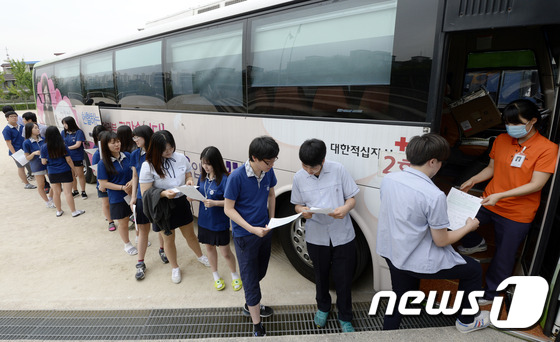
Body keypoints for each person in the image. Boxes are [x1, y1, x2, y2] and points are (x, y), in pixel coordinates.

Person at [376, 133, 489, 333]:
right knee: (472, 270)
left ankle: (388, 332)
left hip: (392, 251)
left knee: (400, 294)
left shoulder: (390, 179)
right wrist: (468, 227)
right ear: (433, 161)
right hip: (415, 258)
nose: (441, 166)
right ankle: (466, 321)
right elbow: (441, 241)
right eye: (442, 162)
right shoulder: (434, 195)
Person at [458, 99, 559, 304]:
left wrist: (501, 196)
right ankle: (475, 242)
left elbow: (536, 184)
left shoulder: (548, 149)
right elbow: (491, 168)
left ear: (533, 121)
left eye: (516, 123)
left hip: (517, 211)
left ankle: (492, 293)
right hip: (489, 200)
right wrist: (473, 180)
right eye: (508, 123)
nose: (510, 128)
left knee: (504, 256)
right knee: (457, 218)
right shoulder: (501, 140)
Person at [290, 138, 359, 333]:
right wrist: (302, 210)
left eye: (312, 167)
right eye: (304, 166)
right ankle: (323, 307)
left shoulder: (338, 170)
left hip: (342, 234)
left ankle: (345, 317)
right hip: (316, 236)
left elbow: (352, 198)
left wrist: (345, 208)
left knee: (344, 278)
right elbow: (296, 204)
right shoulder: (299, 177)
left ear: (323, 160)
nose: (308, 171)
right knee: (320, 276)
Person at [224, 136, 279, 337]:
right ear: (254, 158)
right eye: (268, 161)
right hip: (245, 236)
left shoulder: (267, 171)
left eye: (274, 160)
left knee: (260, 272)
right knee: (250, 279)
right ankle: (257, 325)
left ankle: (250, 303)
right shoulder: (236, 177)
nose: (272, 165)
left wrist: (272, 220)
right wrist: (251, 229)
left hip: (264, 231)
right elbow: (228, 209)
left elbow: (271, 195)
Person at [139, 130, 209, 284]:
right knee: (168, 239)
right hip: (162, 206)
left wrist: (189, 181)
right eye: (165, 150)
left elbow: (188, 174)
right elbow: (145, 192)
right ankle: (175, 267)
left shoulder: (181, 158)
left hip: (180, 201)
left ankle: (200, 256)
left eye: (171, 148)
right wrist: (163, 194)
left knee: (190, 234)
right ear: (156, 149)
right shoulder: (148, 165)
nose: (169, 152)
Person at [193, 146, 242, 291]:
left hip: (219, 222)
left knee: (225, 252)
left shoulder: (225, 179)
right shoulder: (202, 178)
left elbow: (231, 202)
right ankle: (215, 275)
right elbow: (201, 194)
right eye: (203, 163)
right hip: (204, 221)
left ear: (216, 162)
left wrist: (215, 203)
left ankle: (235, 275)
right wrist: (193, 197)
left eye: (208, 163)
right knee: (209, 248)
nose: (205, 167)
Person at [129, 125, 168, 280]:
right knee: (143, 230)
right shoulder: (135, 154)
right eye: (134, 138)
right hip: (141, 197)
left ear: (146, 136)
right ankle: (140, 261)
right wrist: (133, 196)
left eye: (137, 137)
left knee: (160, 227)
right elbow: (135, 177)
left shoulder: (158, 153)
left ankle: (162, 249)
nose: (135, 140)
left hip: (157, 196)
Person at [96, 131, 138, 256]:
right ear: (105, 145)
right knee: (123, 221)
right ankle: (127, 244)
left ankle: (138, 237)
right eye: (113, 143)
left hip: (133, 193)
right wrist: (121, 188)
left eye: (118, 141)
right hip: (117, 197)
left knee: (138, 218)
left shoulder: (128, 156)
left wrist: (131, 182)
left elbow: (135, 172)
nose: (117, 145)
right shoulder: (103, 163)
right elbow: (103, 183)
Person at [40, 126, 85, 218]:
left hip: (52, 172)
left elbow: (43, 162)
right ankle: (73, 211)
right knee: (68, 193)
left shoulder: (43, 147)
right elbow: (68, 160)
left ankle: (59, 211)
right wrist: (74, 169)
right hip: (65, 170)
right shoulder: (62, 145)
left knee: (56, 193)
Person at [2, 110, 36, 189]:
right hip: (17, 152)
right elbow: (8, 143)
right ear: (7, 118)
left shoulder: (21, 126)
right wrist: (15, 154)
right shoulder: (7, 130)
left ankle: (30, 177)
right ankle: (26, 184)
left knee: (30, 165)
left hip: (26, 150)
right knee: (21, 167)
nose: (14, 118)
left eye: (15, 116)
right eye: (11, 116)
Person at [22, 122, 53, 208]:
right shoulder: (26, 143)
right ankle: (47, 202)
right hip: (37, 166)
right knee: (41, 185)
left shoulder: (43, 139)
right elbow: (27, 158)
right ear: (30, 130)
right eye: (35, 128)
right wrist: (34, 153)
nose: (38, 129)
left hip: (48, 164)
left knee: (54, 183)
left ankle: (50, 197)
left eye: (37, 127)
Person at [91, 126, 114, 231]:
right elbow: (95, 170)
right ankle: (110, 221)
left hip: (113, 182)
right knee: (106, 203)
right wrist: (101, 184)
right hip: (103, 184)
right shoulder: (97, 154)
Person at [61, 116, 87, 199]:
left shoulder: (79, 132)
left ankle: (83, 191)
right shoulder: (63, 132)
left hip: (77, 156)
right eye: (63, 124)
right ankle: (75, 190)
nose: (64, 125)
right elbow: (61, 144)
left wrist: (66, 148)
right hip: (67, 157)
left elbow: (78, 145)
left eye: (65, 123)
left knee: (80, 174)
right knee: (72, 175)